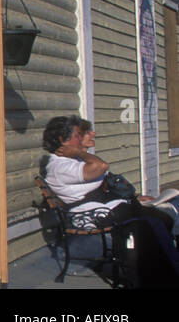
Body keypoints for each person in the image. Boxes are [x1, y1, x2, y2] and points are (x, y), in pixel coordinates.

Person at [42, 115, 179, 285]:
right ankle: (159, 272)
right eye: (78, 135)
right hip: (97, 214)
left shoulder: (70, 161)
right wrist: (78, 152)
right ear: (63, 140)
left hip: (108, 207)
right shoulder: (60, 166)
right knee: (155, 221)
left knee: (162, 216)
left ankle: (164, 266)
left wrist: (135, 198)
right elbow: (101, 167)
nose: (83, 137)